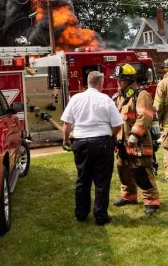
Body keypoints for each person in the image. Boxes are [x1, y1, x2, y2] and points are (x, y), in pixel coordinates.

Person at [61, 71, 123, 226]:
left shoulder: (75, 98)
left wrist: (66, 140)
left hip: (81, 143)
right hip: (102, 143)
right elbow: (117, 124)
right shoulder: (105, 99)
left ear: (87, 82)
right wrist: (111, 136)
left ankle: (81, 214)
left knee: (83, 179)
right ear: (101, 83)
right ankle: (101, 216)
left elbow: (66, 124)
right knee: (102, 181)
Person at [111, 63, 160, 215]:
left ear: (130, 80)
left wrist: (134, 135)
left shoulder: (141, 95)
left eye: (121, 79)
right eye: (117, 79)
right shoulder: (118, 96)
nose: (117, 82)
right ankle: (129, 197)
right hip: (122, 142)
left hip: (138, 141)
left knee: (141, 171)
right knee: (123, 169)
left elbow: (145, 116)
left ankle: (151, 201)